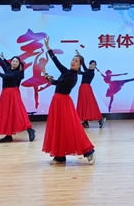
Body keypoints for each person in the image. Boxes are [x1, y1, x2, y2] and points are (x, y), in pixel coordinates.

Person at [41, 37, 96, 165]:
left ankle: (89, 151)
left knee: (72, 128)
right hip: (57, 101)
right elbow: (57, 63)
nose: (73, 62)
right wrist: (49, 49)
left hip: (64, 103)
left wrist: (47, 77)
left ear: (80, 65)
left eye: (76, 61)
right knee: (58, 128)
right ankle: (60, 156)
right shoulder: (67, 71)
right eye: (73, 60)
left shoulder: (73, 77)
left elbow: (58, 82)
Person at [0, 47, 35, 143]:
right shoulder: (8, 69)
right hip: (5, 94)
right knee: (6, 114)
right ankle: (8, 136)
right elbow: (1, 62)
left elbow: (8, 76)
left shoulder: (17, 73)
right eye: (13, 61)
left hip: (12, 94)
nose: (14, 63)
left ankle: (29, 129)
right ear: (11, 62)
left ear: (18, 64)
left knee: (18, 112)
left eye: (16, 62)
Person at [76, 55, 106, 129]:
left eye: (94, 65)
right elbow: (84, 65)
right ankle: (85, 122)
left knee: (90, 104)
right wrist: (80, 58)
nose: (92, 66)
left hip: (86, 89)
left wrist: (76, 67)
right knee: (84, 104)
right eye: (91, 64)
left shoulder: (91, 73)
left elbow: (80, 72)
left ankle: (100, 119)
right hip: (82, 88)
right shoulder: (87, 71)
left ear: (95, 67)